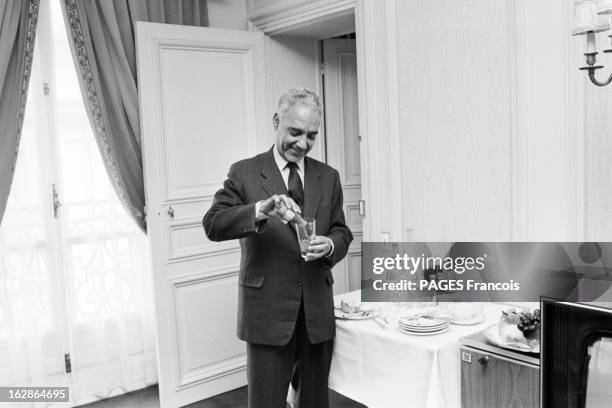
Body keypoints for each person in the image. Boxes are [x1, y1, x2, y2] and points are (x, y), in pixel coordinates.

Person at [203, 88, 353, 408]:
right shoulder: (244, 172)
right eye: (295, 132)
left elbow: (342, 231)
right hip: (267, 314)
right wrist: (259, 209)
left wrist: (330, 244)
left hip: (316, 314)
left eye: (312, 136)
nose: (302, 143)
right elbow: (213, 224)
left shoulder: (329, 177)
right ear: (276, 121)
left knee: (314, 404)